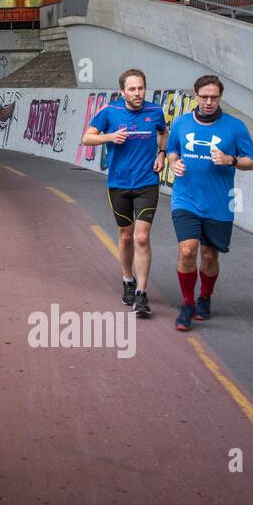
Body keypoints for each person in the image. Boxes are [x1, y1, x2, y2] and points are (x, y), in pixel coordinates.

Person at [165, 75, 253, 331]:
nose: (208, 102)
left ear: (220, 98)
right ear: (195, 96)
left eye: (214, 98)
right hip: (186, 199)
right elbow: (172, 149)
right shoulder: (182, 123)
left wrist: (231, 160)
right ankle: (186, 304)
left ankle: (204, 297)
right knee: (187, 250)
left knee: (209, 255)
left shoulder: (235, 127)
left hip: (219, 202)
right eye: (204, 97)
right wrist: (173, 162)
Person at [81, 68, 166, 318]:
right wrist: (109, 136)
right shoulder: (110, 112)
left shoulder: (155, 111)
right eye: (132, 89)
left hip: (147, 183)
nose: (137, 93)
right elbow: (87, 138)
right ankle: (128, 279)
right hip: (118, 184)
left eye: (141, 88)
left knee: (141, 237)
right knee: (126, 236)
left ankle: (141, 293)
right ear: (122, 91)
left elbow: (163, 133)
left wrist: (161, 154)